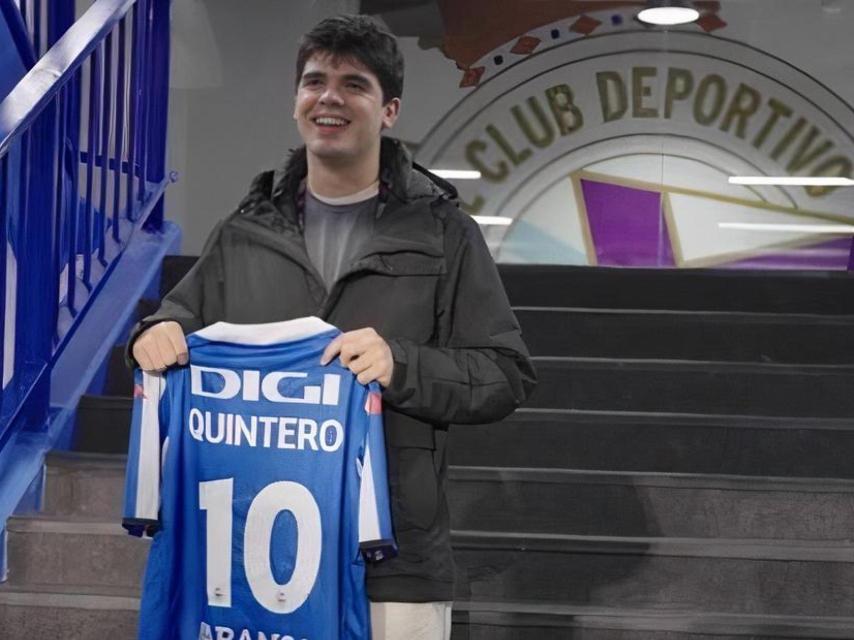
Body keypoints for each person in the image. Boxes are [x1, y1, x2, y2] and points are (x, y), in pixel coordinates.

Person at [127, 14, 536, 640]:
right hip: (251, 562)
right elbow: (177, 320)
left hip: (395, 563)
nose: (330, 98)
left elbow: (505, 374)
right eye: (314, 81)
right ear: (296, 102)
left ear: (389, 110)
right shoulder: (242, 233)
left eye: (354, 84)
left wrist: (402, 363)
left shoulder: (444, 233)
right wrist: (150, 336)